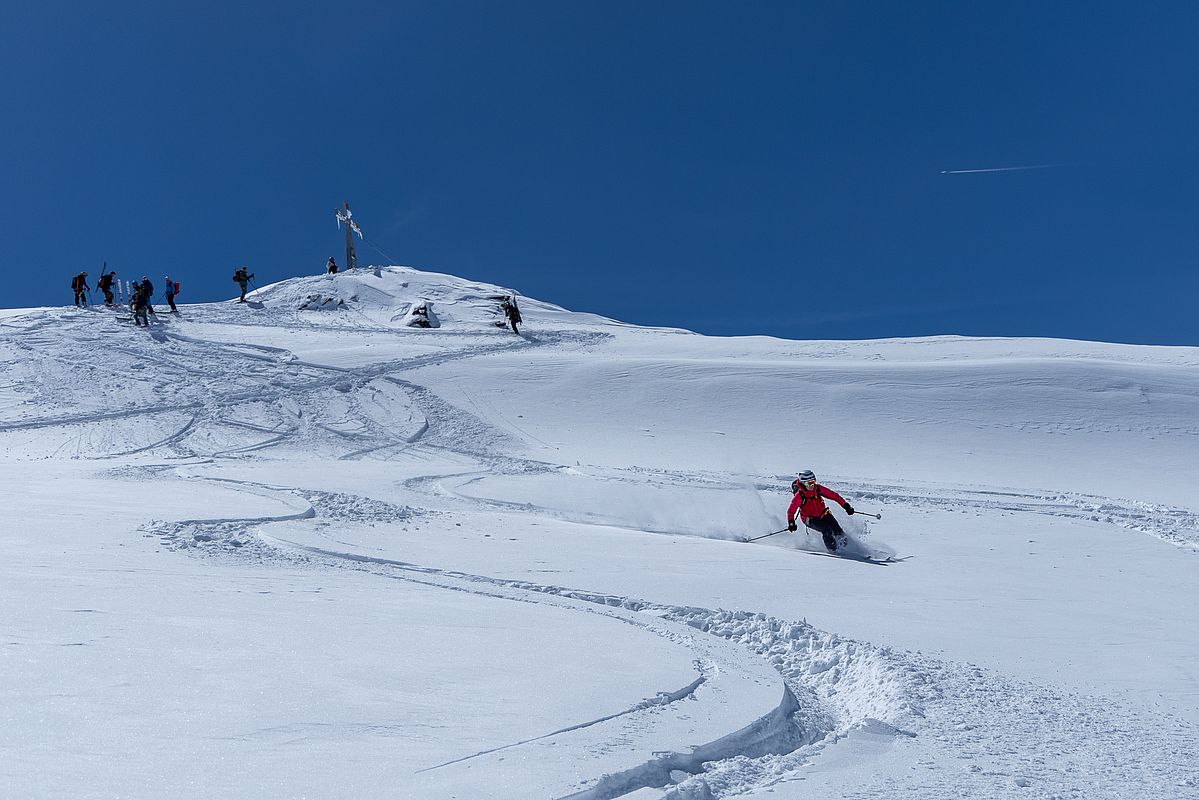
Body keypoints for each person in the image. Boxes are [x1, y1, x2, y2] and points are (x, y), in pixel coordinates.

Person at [786, 470, 855, 552]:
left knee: (838, 530)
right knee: (827, 529)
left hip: (823, 513)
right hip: (810, 519)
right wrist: (791, 523)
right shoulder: (799, 496)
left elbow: (834, 496)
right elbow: (790, 512)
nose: (811, 485)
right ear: (803, 483)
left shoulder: (818, 489)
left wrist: (846, 506)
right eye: (809, 483)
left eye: (813, 482)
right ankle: (834, 551)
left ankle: (847, 548)